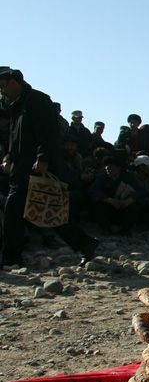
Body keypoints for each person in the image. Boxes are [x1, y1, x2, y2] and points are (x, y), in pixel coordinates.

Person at [0, 68, 98, 267]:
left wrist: (43, 159)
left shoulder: (37, 100)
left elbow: (49, 134)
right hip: (21, 169)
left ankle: (12, 257)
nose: (2, 92)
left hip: (38, 168)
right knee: (41, 211)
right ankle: (85, 243)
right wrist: (9, 157)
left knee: (44, 211)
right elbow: (14, 138)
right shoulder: (16, 105)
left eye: (2, 87)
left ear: (14, 82)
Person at [88, 153, 145, 236]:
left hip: (124, 206)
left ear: (119, 167)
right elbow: (93, 190)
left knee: (134, 205)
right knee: (98, 205)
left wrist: (130, 200)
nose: (108, 168)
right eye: (106, 166)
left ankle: (126, 229)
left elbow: (142, 191)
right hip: (108, 207)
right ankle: (106, 229)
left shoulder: (128, 177)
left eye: (111, 166)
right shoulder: (101, 177)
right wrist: (108, 199)